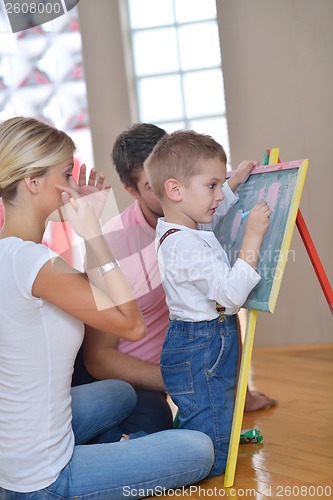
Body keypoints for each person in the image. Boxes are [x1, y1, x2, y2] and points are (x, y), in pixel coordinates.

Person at [0, 117, 214, 498]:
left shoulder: (17, 254)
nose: (71, 185)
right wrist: (95, 234)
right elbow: (131, 325)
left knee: (120, 393)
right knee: (199, 451)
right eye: (65, 174)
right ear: (32, 183)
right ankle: (104, 459)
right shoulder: (35, 264)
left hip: (13, 447)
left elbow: (90, 298)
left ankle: (112, 448)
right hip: (40, 477)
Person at [76, 123, 276, 425]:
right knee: (155, 424)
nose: (171, 191)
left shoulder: (196, 216)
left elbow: (221, 304)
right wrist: (184, 381)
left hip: (195, 366)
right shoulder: (111, 245)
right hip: (149, 377)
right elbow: (99, 358)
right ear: (131, 191)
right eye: (153, 186)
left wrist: (239, 391)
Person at [144, 129, 272, 476]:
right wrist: (253, 237)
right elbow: (231, 296)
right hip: (203, 345)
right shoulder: (184, 244)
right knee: (212, 453)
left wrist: (232, 186)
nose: (218, 195)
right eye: (212, 185)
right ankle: (145, 449)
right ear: (175, 190)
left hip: (195, 341)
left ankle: (171, 441)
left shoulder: (178, 226)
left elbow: (209, 215)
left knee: (211, 412)